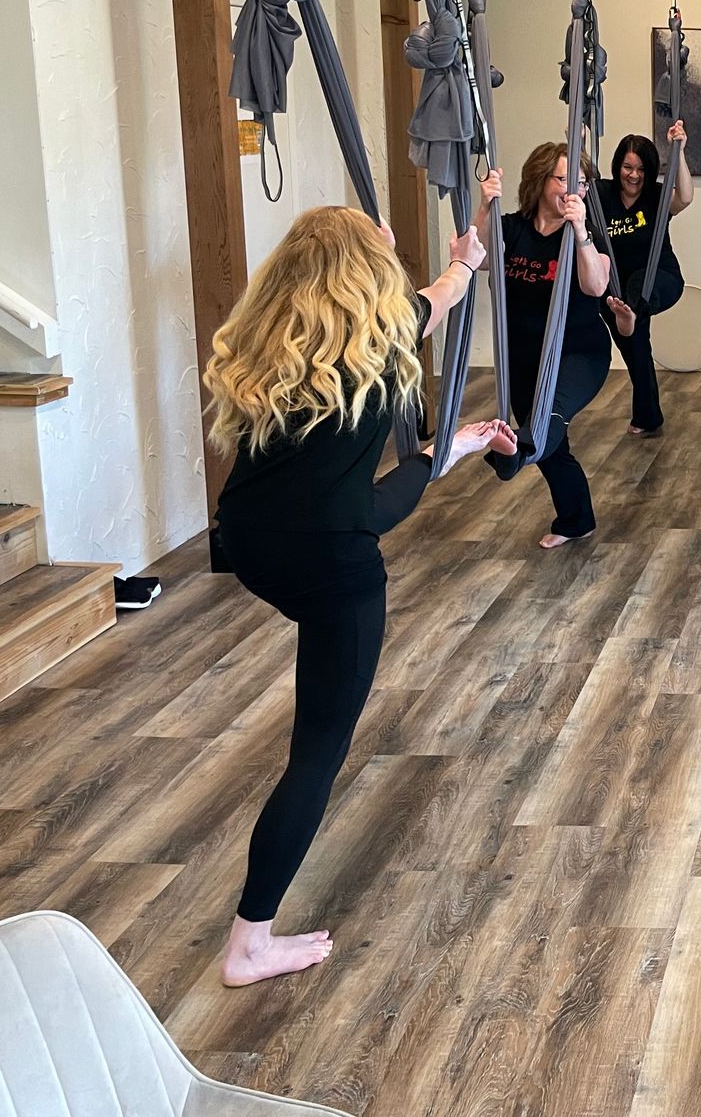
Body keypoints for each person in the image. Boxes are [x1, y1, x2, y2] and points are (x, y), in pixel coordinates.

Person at [204, 206, 517, 987]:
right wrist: (466, 262)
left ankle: (253, 936)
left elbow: (432, 297)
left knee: (340, 526)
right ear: (363, 271)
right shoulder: (381, 344)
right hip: (331, 562)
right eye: (380, 236)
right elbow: (368, 515)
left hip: (245, 543)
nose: (390, 239)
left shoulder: (275, 347)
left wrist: (456, 443)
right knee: (316, 754)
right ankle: (249, 945)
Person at [477, 141, 630, 548]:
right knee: (552, 446)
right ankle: (576, 519)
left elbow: (595, 285)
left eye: (580, 182)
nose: (572, 189)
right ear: (540, 180)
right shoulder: (511, 228)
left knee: (548, 422)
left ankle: (514, 458)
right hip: (526, 356)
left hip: (578, 354)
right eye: (564, 180)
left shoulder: (582, 235)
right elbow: (477, 258)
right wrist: (484, 206)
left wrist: (579, 230)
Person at [594, 121, 694, 435]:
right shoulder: (601, 194)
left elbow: (686, 197)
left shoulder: (657, 196)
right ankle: (648, 417)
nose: (633, 175)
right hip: (614, 290)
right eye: (627, 167)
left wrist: (679, 150)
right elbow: (575, 184)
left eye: (640, 169)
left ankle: (631, 314)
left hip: (658, 279)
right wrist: (578, 143)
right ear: (617, 166)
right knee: (635, 349)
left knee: (637, 289)